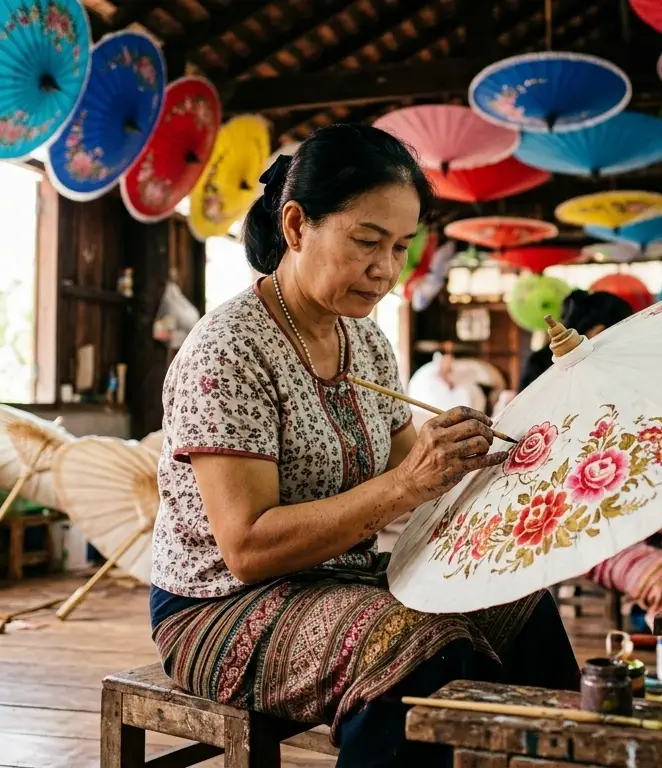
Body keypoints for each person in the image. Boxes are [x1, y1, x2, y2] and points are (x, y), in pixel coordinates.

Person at [149, 124, 578, 768]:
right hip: (217, 606)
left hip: (341, 582)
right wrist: (407, 484)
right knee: (418, 651)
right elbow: (245, 548)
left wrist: (535, 471)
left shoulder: (367, 341)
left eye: (401, 246)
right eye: (366, 241)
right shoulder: (229, 350)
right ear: (296, 227)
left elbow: (419, 472)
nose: (385, 269)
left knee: (522, 609)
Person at [515, 289, 662, 624]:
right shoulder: (553, 388)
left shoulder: (610, 391)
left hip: (621, 523)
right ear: (598, 332)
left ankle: (653, 625)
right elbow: (562, 482)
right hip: (577, 529)